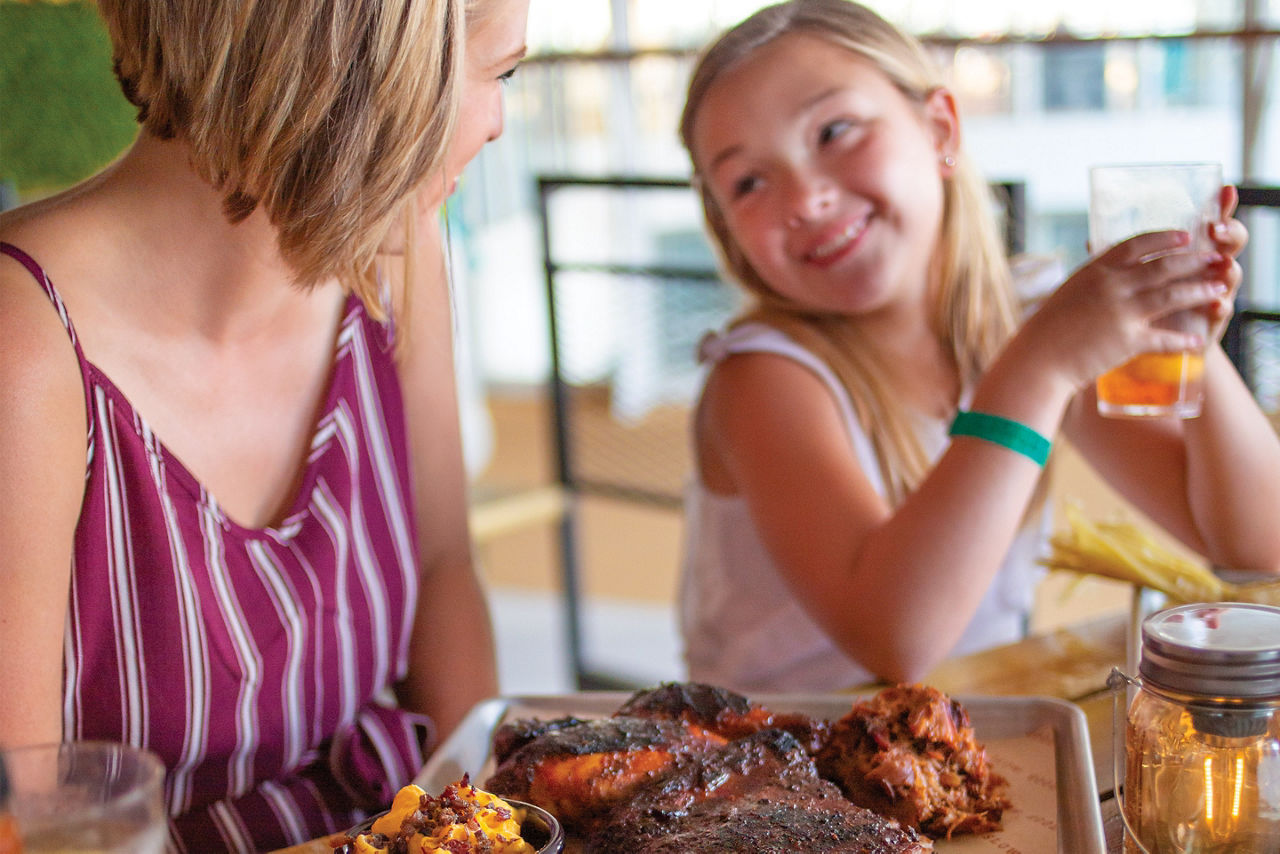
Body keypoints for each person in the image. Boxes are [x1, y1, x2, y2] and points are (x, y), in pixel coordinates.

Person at [0, 0, 529, 848]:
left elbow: (443, 565)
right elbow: (22, 814)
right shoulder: (24, 339)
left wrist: (481, 821)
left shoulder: (397, 254)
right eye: (497, 73)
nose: (501, 120)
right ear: (355, 71)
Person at [677, 0, 1280, 695]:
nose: (805, 198)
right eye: (748, 182)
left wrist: (1189, 339)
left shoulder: (1023, 323)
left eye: (834, 131)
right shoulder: (762, 378)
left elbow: (1254, 547)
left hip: (963, 744)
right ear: (728, 233)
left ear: (940, 128)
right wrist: (1041, 366)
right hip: (768, 770)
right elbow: (895, 639)